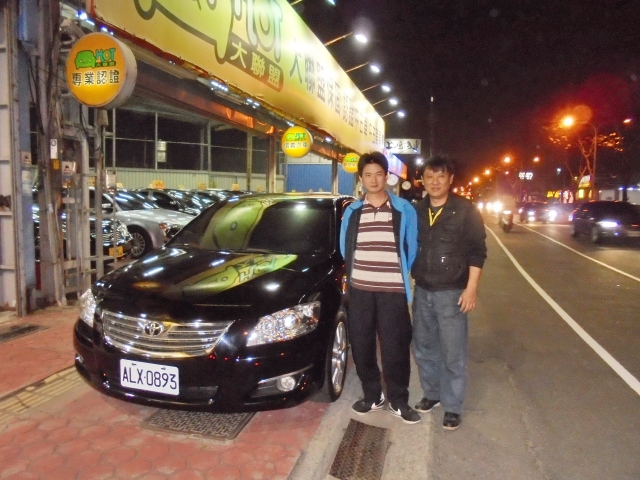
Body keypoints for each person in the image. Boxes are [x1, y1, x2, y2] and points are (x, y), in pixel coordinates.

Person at [339, 151, 420, 424]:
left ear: (387, 176)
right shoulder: (352, 211)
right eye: (367, 175)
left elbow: (411, 247)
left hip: (392, 290)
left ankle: (399, 400)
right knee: (361, 344)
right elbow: (345, 247)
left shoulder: (403, 209)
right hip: (360, 289)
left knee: (395, 347)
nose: (373, 180)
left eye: (378, 174)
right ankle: (372, 395)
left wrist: (396, 273)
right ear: (361, 179)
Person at [411, 155, 487, 431]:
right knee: (423, 348)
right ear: (422, 180)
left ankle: (453, 406)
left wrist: (471, 288)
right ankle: (432, 394)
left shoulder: (465, 211)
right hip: (423, 290)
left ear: (450, 179)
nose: (434, 182)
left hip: (452, 292)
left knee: (453, 353)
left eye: (440, 176)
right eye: (429, 176)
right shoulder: (417, 210)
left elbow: (478, 251)